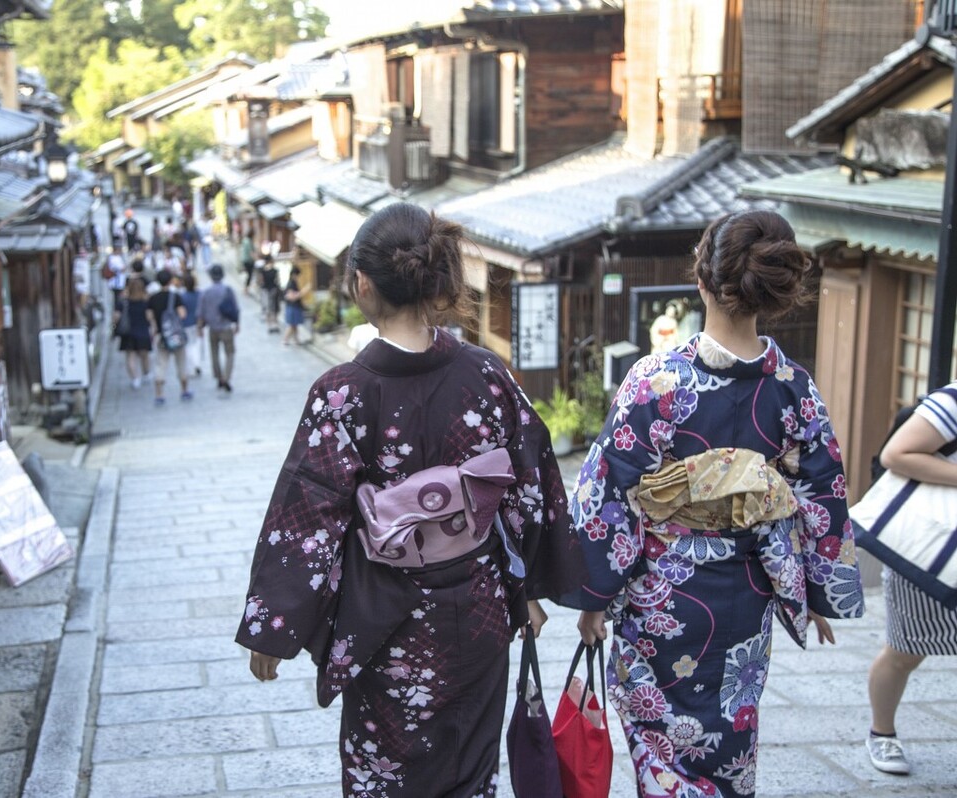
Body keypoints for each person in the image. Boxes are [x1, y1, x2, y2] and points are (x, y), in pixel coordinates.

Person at [238, 202, 583, 796]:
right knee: (469, 773)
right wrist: (523, 586)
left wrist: (275, 626)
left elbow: (309, 512)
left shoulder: (343, 394)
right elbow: (530, 485)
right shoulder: (487, 375)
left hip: (387, 622)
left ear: (361, 284)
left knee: (387, 777)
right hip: (478, 611)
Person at [573, 209, 864, 797]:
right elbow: (821, 492)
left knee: (662, 744)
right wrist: (817, 590)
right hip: (747, 593)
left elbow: (609, 493)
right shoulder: (793, 386)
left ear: (700, 280)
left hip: (662, 593)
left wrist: (594, 597)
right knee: (730, 735)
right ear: (774, 293)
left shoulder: (656, 381)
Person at [865, 383, 957, 775]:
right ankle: (881, 733)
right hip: (927, 545)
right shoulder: (953, 400)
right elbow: (896, 454)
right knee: (905, 650)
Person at [145, 269, 192, 404]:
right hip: (176, 335)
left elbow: (149, 316)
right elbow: (182, 314)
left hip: (161, 335)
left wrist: (155, 326)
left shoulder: (153, 298)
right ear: (171, 280)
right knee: (181, 362)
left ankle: (159, 394)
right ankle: (184, 391)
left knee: (160, 363)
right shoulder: (175, 296)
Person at [198, 263, 239, 392]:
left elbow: (200, 312)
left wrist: (200, 328)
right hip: (226, 326)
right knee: (230, 353)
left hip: (212, 328)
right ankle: (226, 377)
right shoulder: (228, 290)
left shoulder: (206, 292)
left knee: (214, 353)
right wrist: (237, 324)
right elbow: (235, 308)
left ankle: (219, 377)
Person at [113, 276, 152, 389]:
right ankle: (146, 374)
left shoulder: (123, 302)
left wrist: (114, 327)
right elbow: (149, 317)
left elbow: (116, 317)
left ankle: (135, 379)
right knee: (144, 355)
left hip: (128, 332)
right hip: (143, 331)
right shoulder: (145, 302)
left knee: (130, 356)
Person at [177, 271, 203, 379]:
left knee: (188, 345)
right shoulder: (200, 295)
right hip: (197, 322)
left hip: (186, 323)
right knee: (196, 344)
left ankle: (192, 366)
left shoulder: (182, 296)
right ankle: (197, 364)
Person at [281, 266, 306, 346]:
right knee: (292, 325)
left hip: (294, 306)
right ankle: (285, 339)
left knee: (294, 325)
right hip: (292, 307)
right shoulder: (291, 283)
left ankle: (296, 340)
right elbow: (291, 297)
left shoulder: (292, 282)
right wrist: (303, 292)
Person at [259, 258, 280, 333]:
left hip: (265, 290)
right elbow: (277, 280)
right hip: (273, 289)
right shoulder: (275, 270)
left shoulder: (263, 271)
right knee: (274, 307)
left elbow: (261, 281)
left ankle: (269, 325)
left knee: (268, 308)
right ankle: (275, 324)